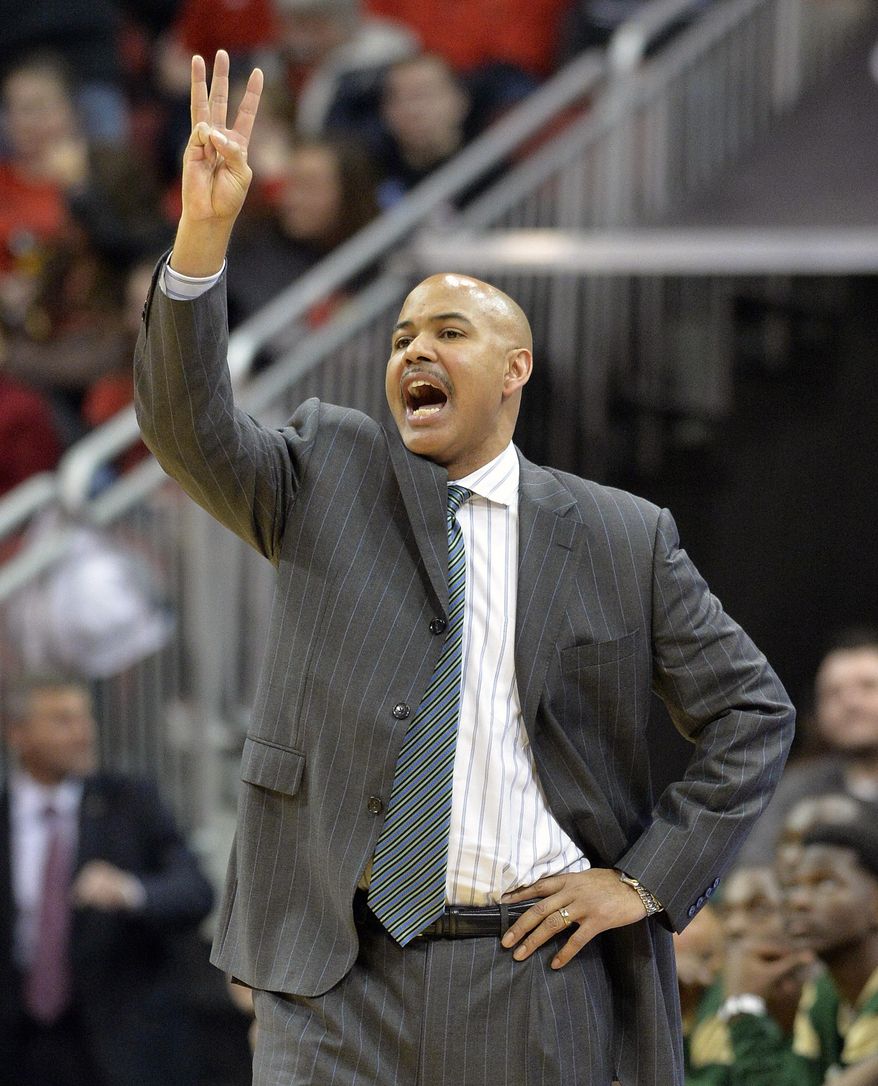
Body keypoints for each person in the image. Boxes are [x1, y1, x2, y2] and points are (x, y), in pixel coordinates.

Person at [133, 49, 795, 1085]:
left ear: (513, 369)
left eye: (447, 331)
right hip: (333, 974)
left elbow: (751, 713)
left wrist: (644, 879)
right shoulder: (326, 472)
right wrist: (203, 237)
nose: (412, 352)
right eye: (399, 338)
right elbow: (186, 428)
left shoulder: (622, 535)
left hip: (531, 973)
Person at [0, 672, 215, 1086]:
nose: (83, 733)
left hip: (114, 1041)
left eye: (86, 718)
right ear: (19, 733)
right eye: (62, 720)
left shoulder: (130, 803)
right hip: (18, 1042)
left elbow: (196, 891)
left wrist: (130, 890)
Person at [739, 629, 878, 865]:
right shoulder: (793, 791)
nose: (850, 703)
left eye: (868, 686)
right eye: (833, 693)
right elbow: (754, 868)